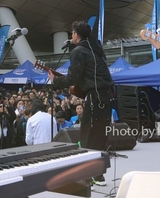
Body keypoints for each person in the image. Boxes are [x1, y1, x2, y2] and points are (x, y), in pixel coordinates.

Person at [48, 21, 114, 152]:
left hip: (95, 98)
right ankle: (99, 163)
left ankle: (91, 162)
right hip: (106, 96)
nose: (71, 36)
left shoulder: (78, 51)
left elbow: (72, 78)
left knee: (89, 134)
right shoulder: (96, 49)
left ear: (77, 35)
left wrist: (55, 80)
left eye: (72, 33)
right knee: (100, 135)